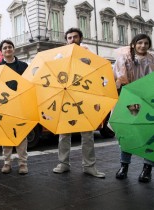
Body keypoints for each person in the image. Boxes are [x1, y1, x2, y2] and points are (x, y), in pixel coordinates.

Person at [53, 28, 105, 178]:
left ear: (80, 38)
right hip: (66, 97)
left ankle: (89, 166)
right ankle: (63, 164)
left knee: (87, 134)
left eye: (75, 37)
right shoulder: (60, 55)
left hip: (84, 98)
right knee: (64, 133)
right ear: (66, 40)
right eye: (69, 38)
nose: (72, 39)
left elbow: (96, 75)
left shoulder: (89, 55)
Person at [114, 33, 154, 183]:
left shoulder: (152, 59)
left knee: (150, 134)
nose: (143, 46)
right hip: (130, 100)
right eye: (140, 43)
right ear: (133, 44)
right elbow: (118, 79)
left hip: (149, 101)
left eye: (146, 43)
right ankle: (124, 166)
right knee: (127, 133)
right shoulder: (125, 58)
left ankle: (147, 169)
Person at [0, 39, 28, 174]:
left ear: (13, 49)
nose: (8, 49)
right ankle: (7, 162)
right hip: (4, 106)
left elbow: (29, 84)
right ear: (1, 51)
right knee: (6, 135)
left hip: (21, 105)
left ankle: (23, 164)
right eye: (5, 48)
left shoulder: (23, 66)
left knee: (22, 135)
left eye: (10, 47)